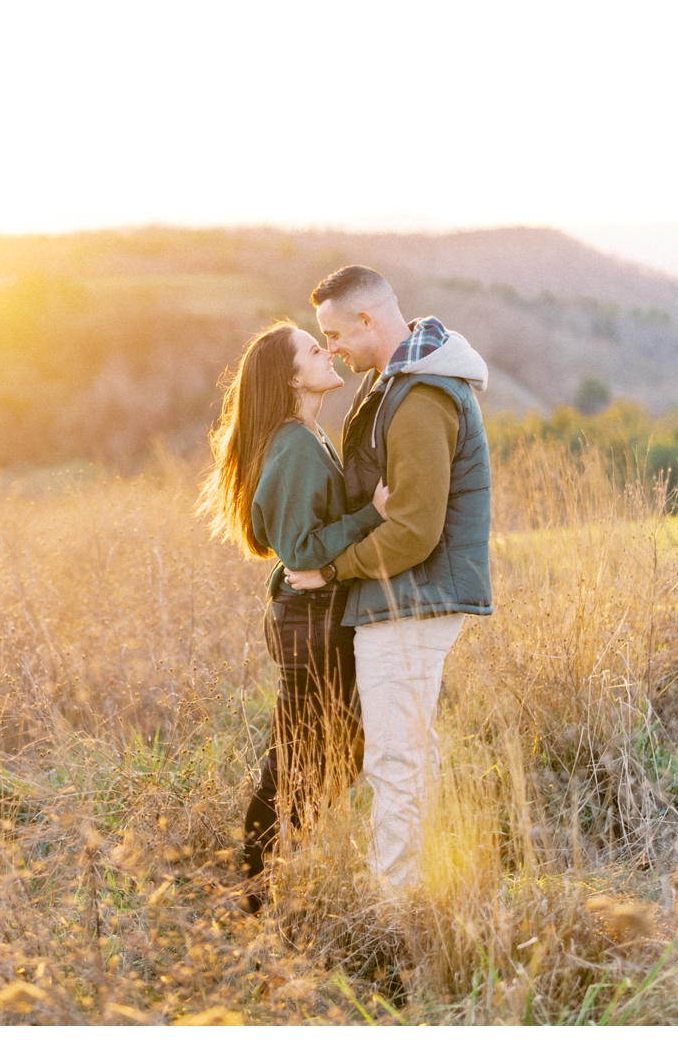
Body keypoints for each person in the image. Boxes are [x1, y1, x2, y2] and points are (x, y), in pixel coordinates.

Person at [285, 265, 492, 892]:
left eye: (334, 333)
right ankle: (421, 890)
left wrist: (330, 568)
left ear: (367, 320)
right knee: (409, 754)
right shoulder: (394, 384)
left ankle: (393, 912)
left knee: (394, 762)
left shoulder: (421, 396)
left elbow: (415, 530)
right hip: (402, 598)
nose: (333, 349)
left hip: (413, 600)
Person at [197, 321, 388, 913]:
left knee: (330, 747)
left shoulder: (305, 436)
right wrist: (371, 515)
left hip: (317, 613)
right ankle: (256, 885)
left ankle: (271, 870)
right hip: (311, 616)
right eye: (313, 348)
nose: (327, 351)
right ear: (291, 377)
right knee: (305, 751)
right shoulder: (294, 444)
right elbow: (302, 550)